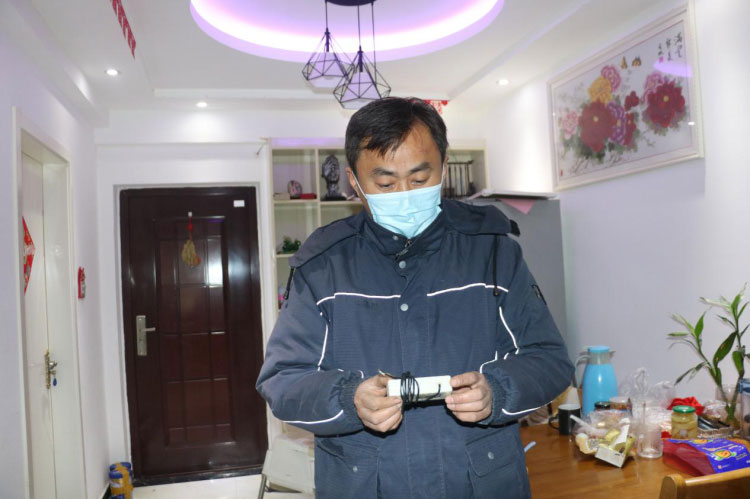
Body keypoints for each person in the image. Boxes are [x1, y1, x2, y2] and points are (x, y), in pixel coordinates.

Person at [256, 97, 574, 498]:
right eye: (386, 184)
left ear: (443, 168)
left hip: (480, 482)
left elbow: (549, 359)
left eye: (420, 179)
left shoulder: (492, 251)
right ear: (354, 181)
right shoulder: (323, 266)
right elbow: (283, 380)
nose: (404, 195)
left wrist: (498, 391)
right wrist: (349, 399)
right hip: (365, 484)